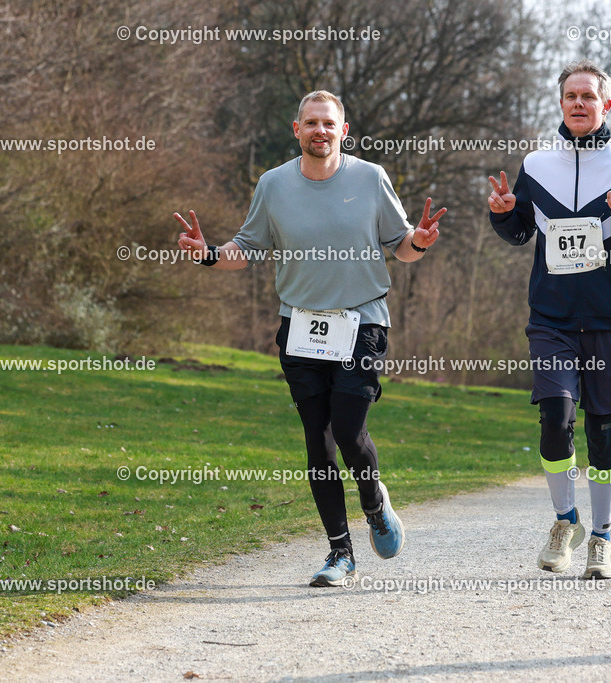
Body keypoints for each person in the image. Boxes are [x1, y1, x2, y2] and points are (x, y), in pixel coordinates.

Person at [174, 90, 445, 587]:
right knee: (318, 444)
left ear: (343, 131)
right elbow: (247, 247)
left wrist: (420, 242)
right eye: (311, 123)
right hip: (300, 327)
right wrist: (207, 253)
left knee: (349, 432)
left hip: (362, 322)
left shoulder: (370, 178)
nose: (320, 131)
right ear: (297, 130)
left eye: (328, 123)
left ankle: (374, 504)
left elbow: (401, 246)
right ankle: (340, 553)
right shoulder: (273, 184)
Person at [488, 59, 611, 580]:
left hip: (609, 318)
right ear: (561, 103)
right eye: (571, 96)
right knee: (555, 416)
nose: (579, 103)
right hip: (552, 318)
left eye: (588, 96)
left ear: (606, 104)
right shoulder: (538, 165)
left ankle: (602, 539)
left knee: (602, 429)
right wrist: (503, 212)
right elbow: (521, 232)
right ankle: (565, 522)